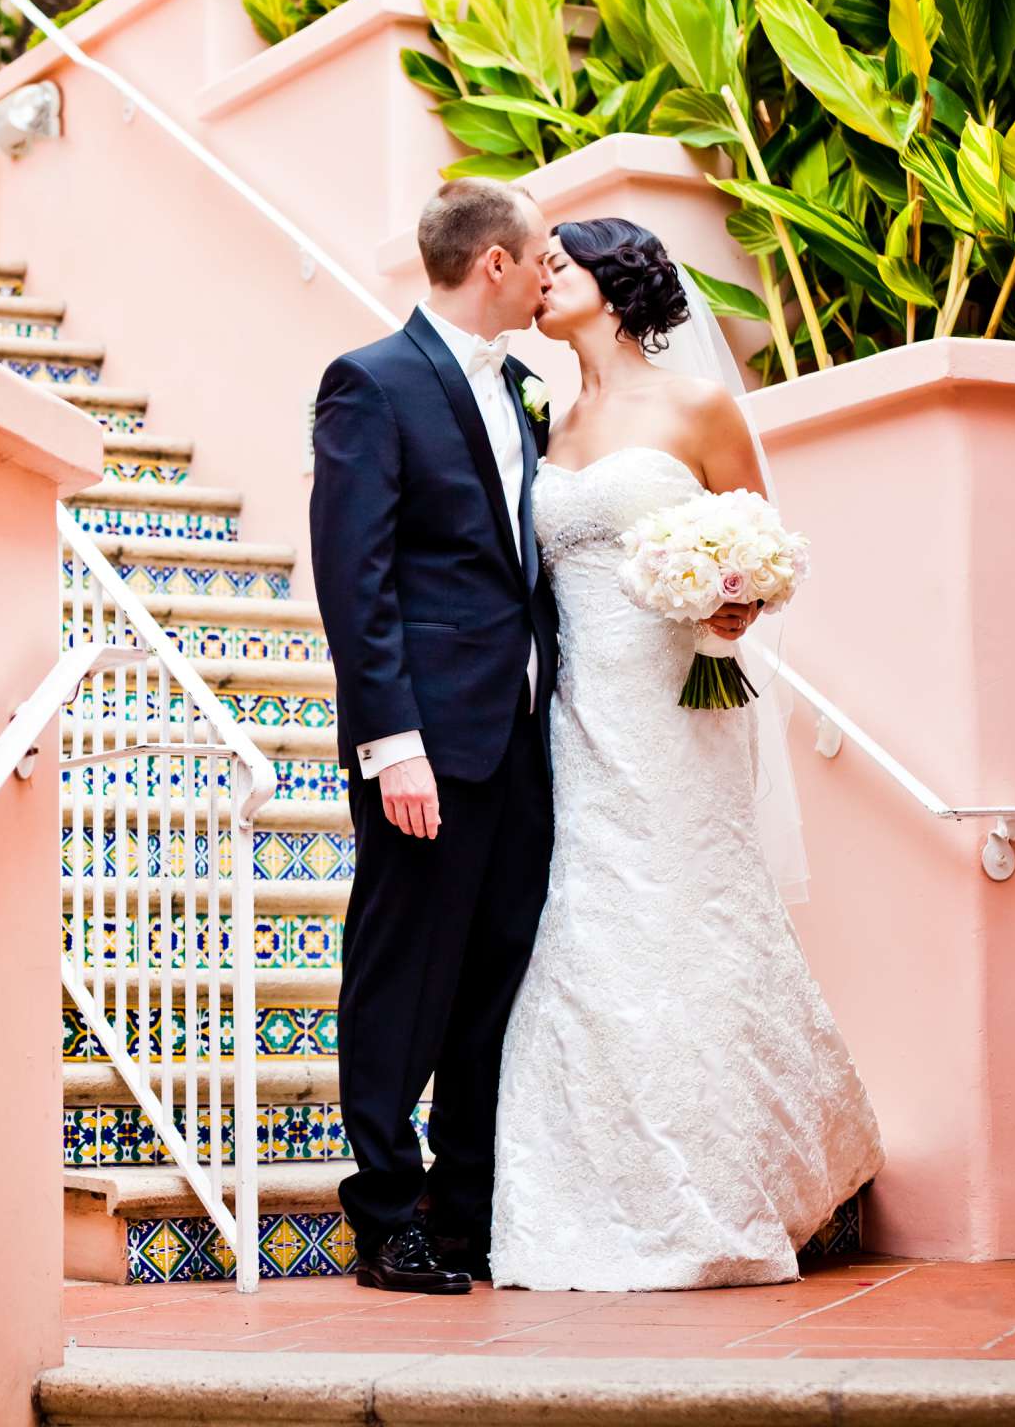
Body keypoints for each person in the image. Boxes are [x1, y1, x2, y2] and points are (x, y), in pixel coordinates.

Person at [488, 217, 882, 1291]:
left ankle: (726, 1178)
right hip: (577, 716)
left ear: (614, 284)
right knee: (593, 926)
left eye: (558, 266)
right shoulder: (548, 417)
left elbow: (765, 544)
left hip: (678, 708)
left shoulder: (699, 404)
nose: (539, 279)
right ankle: (593, 1192)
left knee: (685, 914)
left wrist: (733, 600)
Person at [307, 178, 559, 1293]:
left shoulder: (531, 394)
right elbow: (353, 581)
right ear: (492, 263)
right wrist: (389, 742)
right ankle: (387, 1216)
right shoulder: (371, 382)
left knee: (494, 976)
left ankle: (464, 1213)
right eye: (541, 257)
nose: (552, 275)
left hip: (520, 736)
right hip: (428, 743)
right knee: (402, 977)